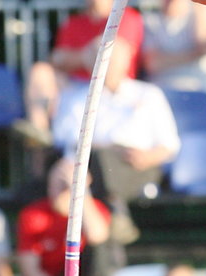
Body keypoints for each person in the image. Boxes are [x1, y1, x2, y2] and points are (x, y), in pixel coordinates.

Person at [51, 37, 180, 244]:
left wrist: (147, 157)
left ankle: (109, 213)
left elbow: (170, 144)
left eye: (112, 60)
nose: (107, 65)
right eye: (101, 59)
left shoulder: (148, 95)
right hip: (90, 165)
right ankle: (114, 211)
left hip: (137, 165)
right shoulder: (75, 98)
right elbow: (66, 139)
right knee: (94, 161)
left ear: (126, 62)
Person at [14, 0, 144, 148]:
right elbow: (57, 59)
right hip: (74, 87)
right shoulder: (73, 23)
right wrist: (88, 55)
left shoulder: (129, 18)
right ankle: (39, 134)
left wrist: (79, 56)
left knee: (103, 51)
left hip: (112, 90)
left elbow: (113, 60)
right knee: (40, 71)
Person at [16, 157, 113, 276]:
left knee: (99, 249)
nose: (59, 192)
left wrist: (81, 192)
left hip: (87, 271)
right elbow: (30, 268)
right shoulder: (33, 214)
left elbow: (97, 236)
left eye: (65, 186)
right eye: (56, 185)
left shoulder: (94, 209)